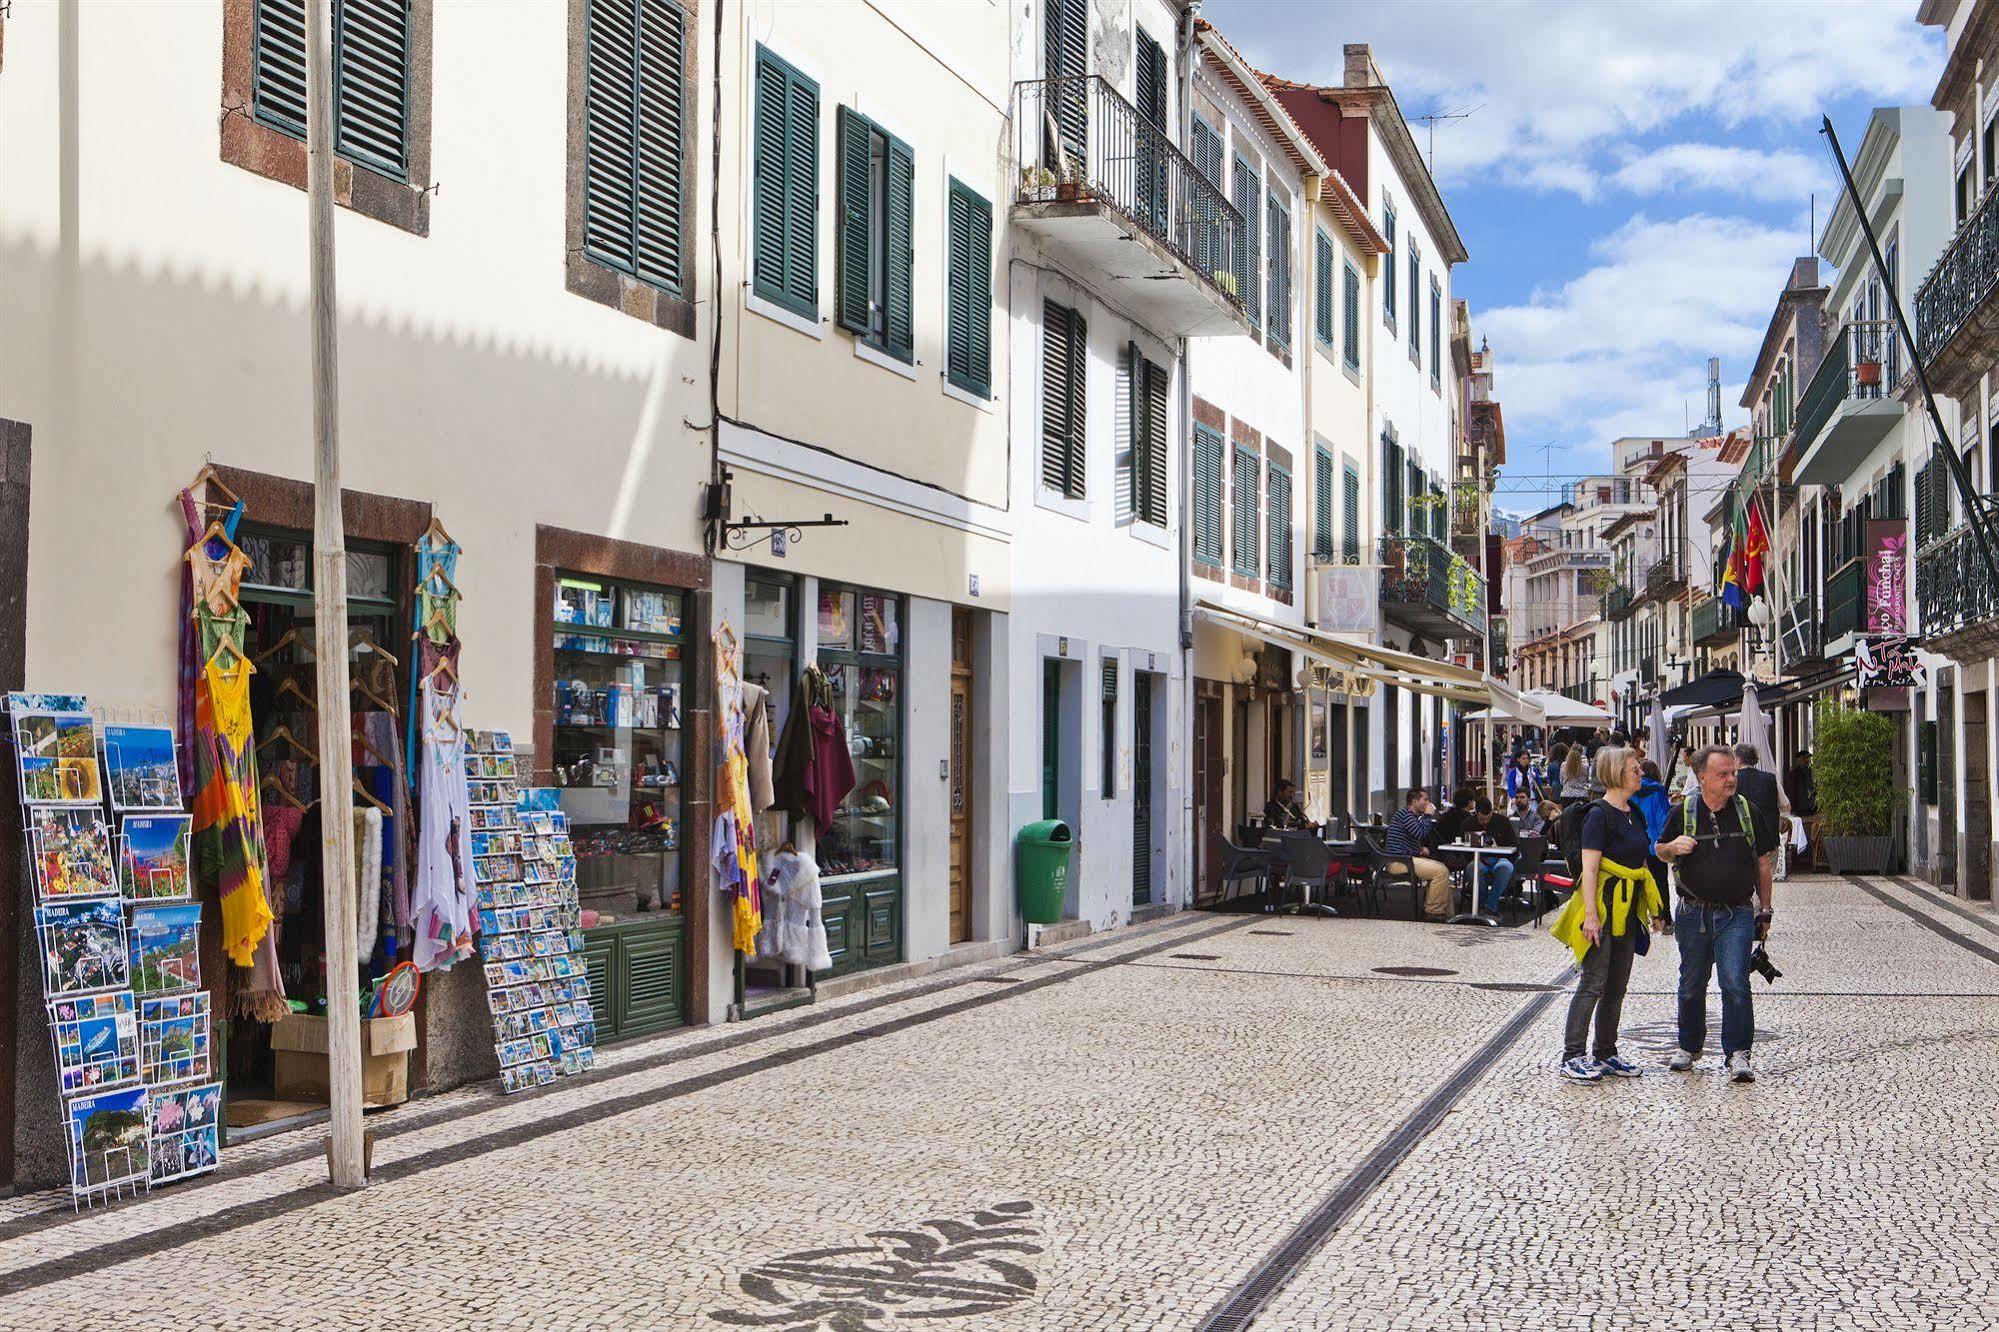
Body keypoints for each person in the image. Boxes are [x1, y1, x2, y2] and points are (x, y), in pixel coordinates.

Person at [1657, 744, 1776, 1082]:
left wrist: (1764, 911)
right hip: (1692, 913)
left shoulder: (1748, 812)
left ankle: (1738, 1053)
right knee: (1692, 984)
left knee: (1735, 982)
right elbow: (1660, 849)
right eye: (1723, 774)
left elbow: (1763, 864)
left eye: (1733, 772)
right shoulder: (1684, 812)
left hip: (1736, 913)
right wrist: (1673, 848)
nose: (1731, 779)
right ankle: (1689, 1046)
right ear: (1702, 777)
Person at [1551, 745, 1663, 1082]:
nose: (1640, 773)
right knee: (1593, 982)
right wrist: (1591, 915)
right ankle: (1572, 1055)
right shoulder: (1598, 815)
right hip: (1602, 906)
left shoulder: (1635, 813)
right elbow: (1590, 868)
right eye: (1634, 769)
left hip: (1627, 911)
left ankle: (1606, 1051)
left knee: (1617, 985)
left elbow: (1642, 862)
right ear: (1615, 773)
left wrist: (1654, 908)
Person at [1385, 787, 1454, 921]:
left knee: (1443, 868)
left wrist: (1419, 849)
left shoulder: (1410, 816)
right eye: (1425, 800)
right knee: (1440, 871)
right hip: (1398, 862)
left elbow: (1409, 837)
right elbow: (1420, 832)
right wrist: (1428, 815)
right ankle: (1433, 912)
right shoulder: (1405, 815)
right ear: (1415, 801)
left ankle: (1448, 913)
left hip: (1405, 859)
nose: (1428, 803)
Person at [1633, 760, 1676, 934]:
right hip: (1655, 845)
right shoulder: (1658, 792)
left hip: (1635, 844)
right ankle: (1665, 919)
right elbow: (1663, 819)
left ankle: (1642, 921)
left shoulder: (1630, 790)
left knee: (1637, 883)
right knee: (1661, 882)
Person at [1468, 795, 1518, 912]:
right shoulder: (1469, 823)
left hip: (1501, 857)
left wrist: (1499, 848)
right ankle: (1481, 903)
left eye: (1488, 818)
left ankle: (1490, 905)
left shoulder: (1503, 821)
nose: (1485, 822)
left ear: (1492, 812)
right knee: (1472, 868)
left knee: (1505, 867)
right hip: (1478, 858)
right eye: (1481, 820)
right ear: (1476, 814)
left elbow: (1514, 844)